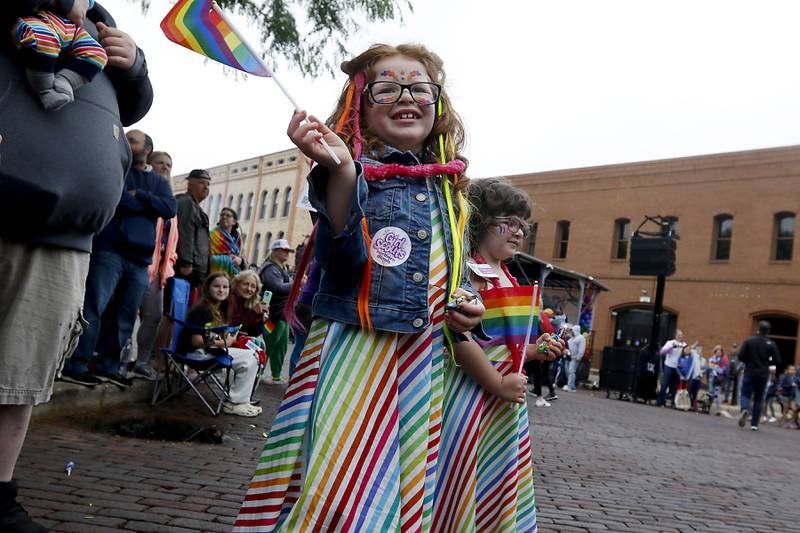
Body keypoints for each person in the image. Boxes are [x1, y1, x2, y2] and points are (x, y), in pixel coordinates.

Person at [235, 43, 496, 531]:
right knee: (339, 488)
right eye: (387, 87)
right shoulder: (355, 174)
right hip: (356, 354)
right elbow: (340, 259)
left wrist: (465, 305)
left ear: (437, 105)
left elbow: (454, 274)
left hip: (421, 363)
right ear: (360, 105)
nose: (407, 96)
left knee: (401, 489)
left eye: (420, 87)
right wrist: (341, 174)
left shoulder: (450, 191)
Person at [0, 1, 153, 529]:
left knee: (18, 377)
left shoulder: (101, 25)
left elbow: (136, 105)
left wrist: (133, 65)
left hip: (66, 234)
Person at [432, 177, 562, 530]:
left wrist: (538, 350)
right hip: (471, 396)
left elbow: (504, 347)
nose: (518, 231)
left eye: (523, 225)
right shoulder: (470, 273)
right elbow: (456, 336)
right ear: (479, 221)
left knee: (494, 478)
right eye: (508, 222)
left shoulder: (506, 276)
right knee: (461, 478)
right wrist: (496, 382)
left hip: (502, 401)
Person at [60, 129, 176, 387]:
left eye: (132, 140)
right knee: (93, 308)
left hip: (140, 260)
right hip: (109, 251)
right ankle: (76, 364)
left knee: (126, 315)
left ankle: (108, 366)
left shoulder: (158, 183)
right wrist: (147, 205)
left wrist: (142, 197)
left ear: (146, 149)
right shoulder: (116, 170)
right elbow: (116, 198)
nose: (126, 142)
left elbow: (170, 208)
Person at [178, 272, 261, 417]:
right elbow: (196, 341)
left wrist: (226, 337)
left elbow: (209, 334)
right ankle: (234, 403)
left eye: (225, 287)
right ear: (208, 288)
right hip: (197, 354)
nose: (221, 290)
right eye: (217, 286)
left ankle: (241, 401)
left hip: (210, 351)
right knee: (249, 358)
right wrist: (224, 342)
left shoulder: (219, 309)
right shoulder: (202, 309)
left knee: (254, 354)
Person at [131, 150, 179, 381]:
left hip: (159, 273)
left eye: (169, 164)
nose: (165, 167)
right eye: (160, 163)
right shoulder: (142, 192)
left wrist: (168, 265)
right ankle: (119, 361)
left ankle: (141, 362)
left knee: (153, 317)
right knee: (127, 314)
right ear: (149, 165)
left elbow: (173, 242)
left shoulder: (171, 203)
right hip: (138, 263)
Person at [12, 0, 107, 111]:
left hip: (70, 27)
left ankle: (65, 81)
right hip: (36, 18)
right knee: (43, 40)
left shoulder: (96, 11)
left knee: (97, 54)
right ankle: (46, 90)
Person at [258, 239, 294, 384]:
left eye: (287, 251)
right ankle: (257, 373)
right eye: (284, 250)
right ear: (275, 251)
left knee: (281, 346)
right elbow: (277, 287)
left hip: (282, 314)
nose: (286, 253)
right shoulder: (271, 268)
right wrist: (295, 283)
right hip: (272, 315)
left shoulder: (281, 267)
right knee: (269, 344)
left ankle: (276, 375)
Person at [738, 321, 782, 431]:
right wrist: (768, 363)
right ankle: (754, 424)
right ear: (768, 331)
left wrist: (749, 360)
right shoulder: (771, 344)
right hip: (763, 374)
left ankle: (745, 409)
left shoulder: (749, 340)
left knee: (745, 394)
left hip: (750, 371)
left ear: (758, 328)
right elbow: (777, 360)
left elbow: (741, 356)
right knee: (759, 398)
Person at [175, 168, 211, 289]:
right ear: (190, 184)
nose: (206, 187)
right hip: (188, 269)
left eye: (208, 184)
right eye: (201, 183)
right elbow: (185, 233)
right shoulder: (187, 203)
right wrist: (186, 263)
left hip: (196, 268)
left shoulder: (196, 206)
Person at [210, 207, 246, 278]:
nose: (224, 217)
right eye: (222, 215)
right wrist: (229, 259)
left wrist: (241, 261)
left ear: (234, 222)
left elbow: (244, 259)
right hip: (216, 277)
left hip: (235, 278)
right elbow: (207, 258)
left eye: (228, 215)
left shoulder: (239, 240)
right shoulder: (212, 235)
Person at [656, 330, 688, 407]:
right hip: (669, 366)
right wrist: (672, 347)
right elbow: (662, 352)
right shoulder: (670, 342)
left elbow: (687, 355)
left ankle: (673, 403)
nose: (680, 336)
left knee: (675, 386)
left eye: (681, 335)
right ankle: (660, 402)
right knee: (664, 384)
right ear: (675, 335)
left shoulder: (684, 344)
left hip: (677, 368)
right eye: (679, 335)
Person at [707, 345, 729, 416]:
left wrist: (716, 367)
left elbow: (722, 370)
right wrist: (716, 367)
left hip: (718, 379)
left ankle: (718, 410)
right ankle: (708, 408)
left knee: (717, 395)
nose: (719, 353)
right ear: (715, 352)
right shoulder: (711, 359)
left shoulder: (722, 360)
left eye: (720, 352)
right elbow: (710, 366)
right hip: (712, 378)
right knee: (710, 393)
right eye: (717, 351)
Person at [567, 324, 586, 392]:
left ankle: (571, 386)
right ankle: (571, 385)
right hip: (570, 356)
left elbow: (582, 348)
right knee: (569, 371)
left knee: (571, 371)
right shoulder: (572, 338)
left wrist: (579, 356)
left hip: (575, 358)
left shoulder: (581, 338)